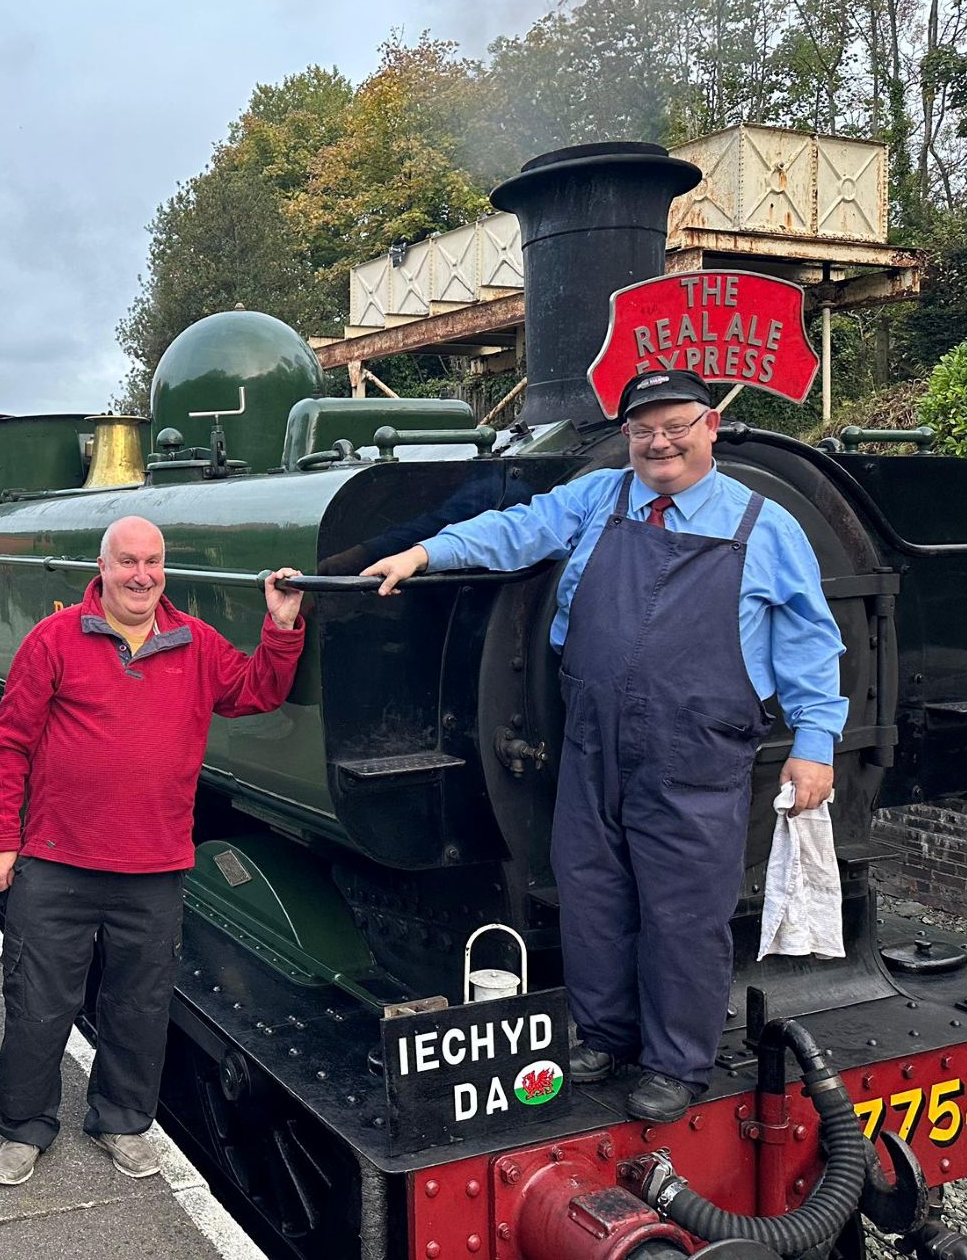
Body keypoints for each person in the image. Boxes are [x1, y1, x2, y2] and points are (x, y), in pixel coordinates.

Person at [361, 368, 847, 1124]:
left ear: (709, 426)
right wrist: (426, 555)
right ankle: (605, 1035)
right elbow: (515, 530)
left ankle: (676, 1064)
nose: (660, 442)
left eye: (676, 425)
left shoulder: (764, 525)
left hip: (695, 752)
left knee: (684, 913)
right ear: (627, 437)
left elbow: (813, 642)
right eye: (644, 429)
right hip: (592, 740)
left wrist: (815, 742)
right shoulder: (601, 497)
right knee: (591, 893)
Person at [0, 516, 305, 1187]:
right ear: (102, 567)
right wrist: (1, 840)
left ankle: (122, 1121)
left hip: (154, 868)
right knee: (38, 1005)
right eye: (127, 561)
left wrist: (281, 626)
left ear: (165, 568)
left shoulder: (195, 643)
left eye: (152, 562)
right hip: (56, 861)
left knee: (140, 1006)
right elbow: (10, 745)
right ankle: (24, 1127)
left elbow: (256, 691)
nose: (141, 575)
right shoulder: (55, 639)